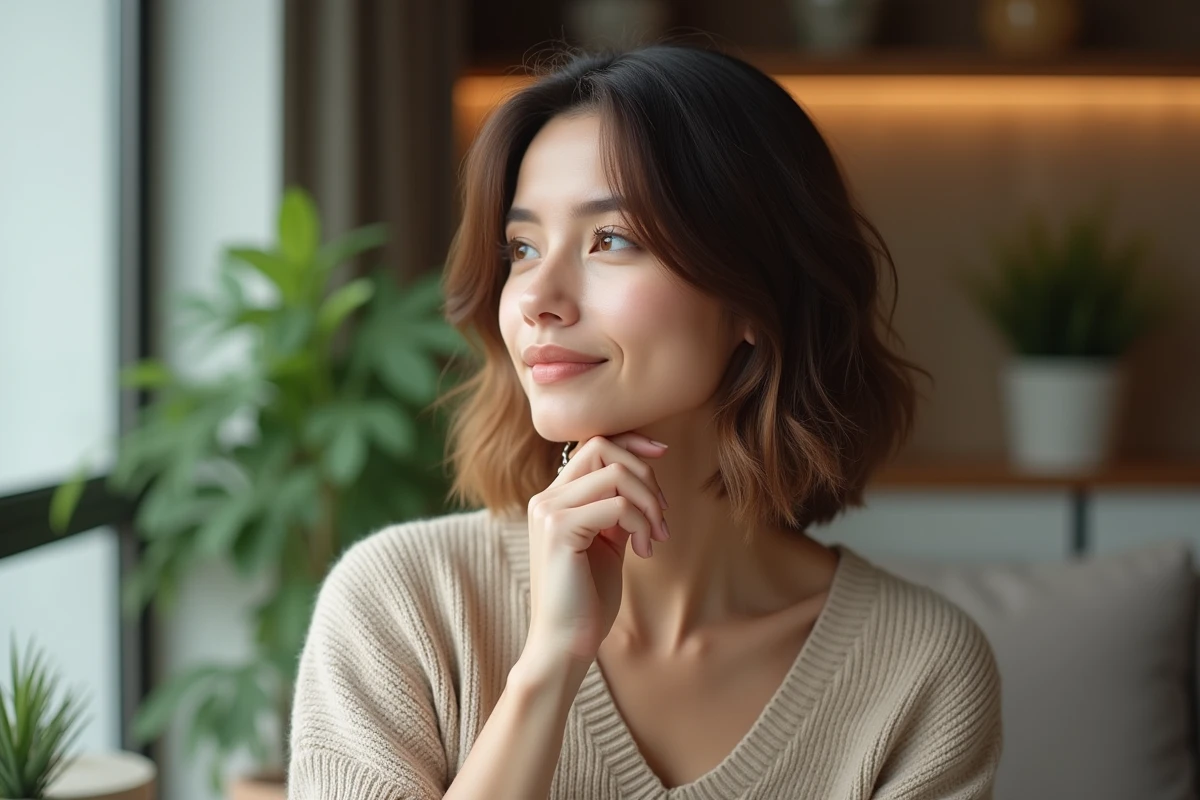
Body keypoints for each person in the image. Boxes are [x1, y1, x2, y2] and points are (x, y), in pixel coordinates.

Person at [287, 43, 1002, 800]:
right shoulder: (401, 606)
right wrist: (549, 668)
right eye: (522, 248)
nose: (537, 299)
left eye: (612, 240)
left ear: (754, 299)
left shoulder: (919, 672)